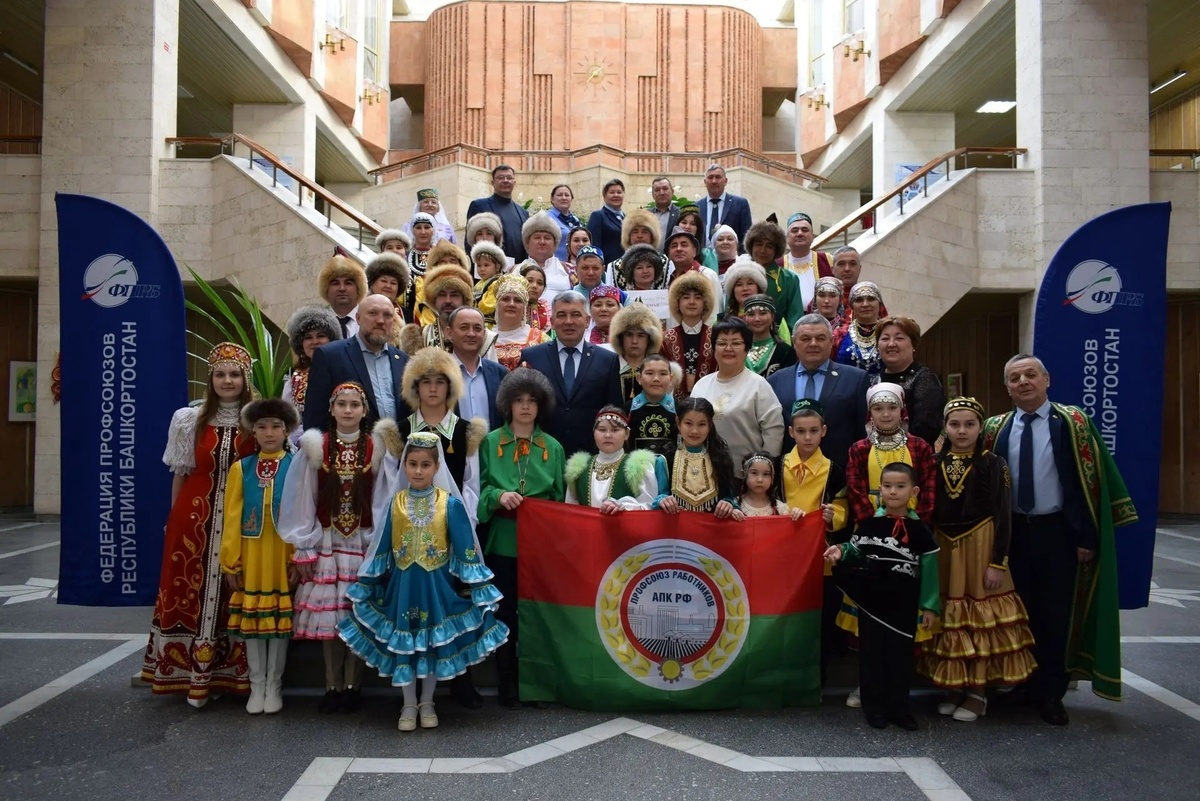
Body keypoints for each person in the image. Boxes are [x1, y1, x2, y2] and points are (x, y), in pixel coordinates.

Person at [981, 354, 1135, 725]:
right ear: (1007, 388)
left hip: (1057, 533)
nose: (1023, 382)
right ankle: (1022, 684)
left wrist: (1086, 537)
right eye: (1014, 378)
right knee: (1019, 613)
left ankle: (1051, 693)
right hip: (1012, 534)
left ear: (1046, 380)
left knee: (1055, 614)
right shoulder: (995, 428)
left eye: (1030, 375)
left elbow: (1088, 483)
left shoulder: (1073, 422)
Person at [340, 431, 508, 731]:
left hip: (437, 587)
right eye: (413, 464)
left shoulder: (450, 504)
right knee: (406, 641)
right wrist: (367, 582)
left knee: (433, 642)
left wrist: (479, 587)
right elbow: (383, 546)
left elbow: (466, 550)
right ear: (404, 466)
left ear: (436, 467)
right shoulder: (396, 504)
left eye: (425, 465)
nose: (418, 471)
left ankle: (428, 701)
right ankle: (408, 703)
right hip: (403, 587)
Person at [142, 342, 255, 707]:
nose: (227, 380)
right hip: (193, 518)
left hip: (240, 520)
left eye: (234, 374)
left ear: (245, 379)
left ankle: (227, 675)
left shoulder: (256, 420)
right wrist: (172, 518)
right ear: (211, 379)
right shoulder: (188, 419)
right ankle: (187, 674)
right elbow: (181, 472)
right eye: (220, 374)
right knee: (187, 587)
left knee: (231, 591)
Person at [920, 397, 1037, 723]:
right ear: (945, 427)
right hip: (945, 547)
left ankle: (978, 692)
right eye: (954, 424)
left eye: (969, 424)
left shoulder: (993, 463)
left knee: (980, 618)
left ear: (980, 428)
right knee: (952, 617)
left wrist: (998, 562)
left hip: (980, 545)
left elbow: (1003, 516)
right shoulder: (934, 462)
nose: (962, 431)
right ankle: (955, 686)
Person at [280, 382, 389, 713]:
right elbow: (304, 496)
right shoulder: (316, 446)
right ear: (331, 409)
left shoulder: (377, 449)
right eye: (342, 404)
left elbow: (382, 499)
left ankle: (354, 686)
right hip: (327, 540)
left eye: (355, 404)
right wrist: (304, 544)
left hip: (361, 541)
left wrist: (378, 543)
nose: (348, 410)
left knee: (356, 616)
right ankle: (332, 685)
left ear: (365, 411)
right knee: (331, 620)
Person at [825, 462, 941, 730]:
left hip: (903, 606)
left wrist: (929, 606)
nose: (893, 492)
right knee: (871, 656)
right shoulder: (869, 524)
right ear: (879, 490)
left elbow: (930, 570)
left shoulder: (921, 530)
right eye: (887, 486)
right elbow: (855, 552)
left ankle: (899, 708)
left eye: (900, 486)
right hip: (872, 605)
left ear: (914, 491)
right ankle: (874, 708)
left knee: (900, 658)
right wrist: (840, 551)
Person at [477, 368, 567, 706]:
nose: (525, 406)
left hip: (539, 545)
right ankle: (507, 683)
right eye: (518, 400)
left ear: (540, 406)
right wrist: (498, 496)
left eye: (531, 400)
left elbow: (560, 499)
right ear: (508, 405)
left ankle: (536, 683)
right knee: (504, 612)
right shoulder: (491, 442)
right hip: (503, 541)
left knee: (536, 614)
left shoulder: (553, 447)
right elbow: (479, 490)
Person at [219, 398, 298, 715]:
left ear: (286, 431)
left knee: (278, 620)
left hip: (282, 550)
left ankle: (274, 684)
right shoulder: (241, 468)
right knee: (252, 620)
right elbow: (231, 517)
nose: (269, 433)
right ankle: (257, 684)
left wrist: (298, 557)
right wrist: (230, 560)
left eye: (276, 426)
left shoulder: (296, 466)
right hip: (251, 552)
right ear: (253, 431)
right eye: (262, 427)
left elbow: (304, 512)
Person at [780, 399, 850, 684]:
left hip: (820, 560)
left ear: (824, 431)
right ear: (790, 432)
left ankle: (816, 680)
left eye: (813, 431)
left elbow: (844, 509)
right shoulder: (778, 465)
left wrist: (835, 516)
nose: (807, 437)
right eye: (801, 431)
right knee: (786, 618)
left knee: (820, 621)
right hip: (784, 556)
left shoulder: (834, 471)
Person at [519, 291, 624, 457]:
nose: (569, 321)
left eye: (576, 315)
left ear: (587, 320)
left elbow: (614, 410)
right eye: (561, 315)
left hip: (590, 455)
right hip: (541, 453)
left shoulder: (607, 360)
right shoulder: (532, 357)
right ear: (552, 322)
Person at [768, 314, 870, 470]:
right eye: (805, 338)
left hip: (839, 473)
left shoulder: (855, 379)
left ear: (831, 342)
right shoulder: (775, 381)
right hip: (789, 473)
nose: (813, 344)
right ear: (794, 342)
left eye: (820, 338)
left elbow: (862, 433)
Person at [690, 317, 785, 479]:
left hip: (746, 477)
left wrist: (763, 470)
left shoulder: (759, 385)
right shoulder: (701, 385)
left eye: (736, 343)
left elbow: (774, 431)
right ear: (713, 348)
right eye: (722, 343)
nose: (728, 348)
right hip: (703, 475)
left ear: (747, 349)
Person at [302, 294, 412, 431]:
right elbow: (314, 418)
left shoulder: (403, 360)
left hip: (397, 443)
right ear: (358, 318)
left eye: (387, 315)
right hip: (348, 444)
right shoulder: (330, 356)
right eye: (373, 313)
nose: (380, 320)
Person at [846, 382, 937, 524]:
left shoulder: (919, 446)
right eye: (878, 409)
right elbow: (856, 492)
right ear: (870, 413)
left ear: (902, 410)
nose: (886, 414)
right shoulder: (859, 449)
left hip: (914, 523)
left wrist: (918, 524)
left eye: (892, 407)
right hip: (871, 524)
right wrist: (871, 524)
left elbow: (928, 490)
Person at [565, 405, 666, 510]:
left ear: (627, 434)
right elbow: (570, 509)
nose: (607, 435)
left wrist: (624, 506)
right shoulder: (579, 469)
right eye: (602, 430)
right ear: (594, 433)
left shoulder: (640, 468)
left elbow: (649, 506)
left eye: (614, 430)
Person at [657, 396, 742, 519]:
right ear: (678, 422)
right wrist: (663, 501)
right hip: (676, 529)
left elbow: (727, 497)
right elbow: (657, 498)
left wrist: (728, 505)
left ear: (710, 426)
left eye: (701, 424)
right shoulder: (664, 461)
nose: (695, 431)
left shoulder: (720, 458)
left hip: (711, 528)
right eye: (688, 423)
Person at [878, 316, 945, 447]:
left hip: (913, 454)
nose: (891, 344)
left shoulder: (924, 378)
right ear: (877, 346)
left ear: (914, 345)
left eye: (899, 338)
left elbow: (927, 429)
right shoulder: (872, 380)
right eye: (885, 339)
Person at [447, 306, 506, 431]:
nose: (471, 334)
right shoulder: (439, 373)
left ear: (484, 334)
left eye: (477, 328)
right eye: (464, 327)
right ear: (449, 333)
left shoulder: (499, 373)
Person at [661, 271, 717, 403]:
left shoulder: (716, 337)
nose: (692, 302)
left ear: (705, 303)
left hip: (710, 402)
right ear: (677, 303)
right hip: (673, 405)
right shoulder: (665, 339)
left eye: (697, 298)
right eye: (686, 297)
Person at [401, 257, 474, 354]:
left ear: (464, 299)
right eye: (442, 295)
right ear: (434, 299)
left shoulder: (481, 338)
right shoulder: (419, 338)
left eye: (454, 295)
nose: (448, 301)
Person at [283, 305, 342, 424]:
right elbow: (288, 420)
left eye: (321, 336)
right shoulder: (293, 378)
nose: (315, 342)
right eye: (308, 337)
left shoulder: (344, 370)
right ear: (300, 344)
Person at [744, 221, 805, 333]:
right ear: (751, 246)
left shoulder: (789, 279)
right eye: (758, 244)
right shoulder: (739, 274)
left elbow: (795, 318)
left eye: (769, 246)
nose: (762, 250)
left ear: (776, 250)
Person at [484, 274, 548, 371]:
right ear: (497, 304)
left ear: (524, 307)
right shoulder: (484, 338)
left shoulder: (541, 339)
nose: (511, 304)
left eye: (518, 300)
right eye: (505, 299)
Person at [467, 165, 529, 263]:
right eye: (500, 178)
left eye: (509, 178)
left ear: (514, 182)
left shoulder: (523, 212)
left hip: (517, 268)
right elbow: (470, 242)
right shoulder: (479, 206)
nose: (505, 180)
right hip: (489, 267)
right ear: (492, 182)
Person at [625, 353, 680, 456]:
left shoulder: (679, 410)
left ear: (671, 379)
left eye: (663, 374)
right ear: (639, 378)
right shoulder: (627, 411)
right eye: (649, 373)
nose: (656, 379)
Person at [609, 303, 662, 404]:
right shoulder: (607, 369)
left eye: (641, 335)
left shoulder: (660, 371)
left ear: (650, 339)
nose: (634, 341)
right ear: (620, 338)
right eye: (629, 335)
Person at [664, 226, 721, 319]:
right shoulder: (668, 280)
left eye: (684, 245)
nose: (679, 249)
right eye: (674, 246)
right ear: (668, 254)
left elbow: (714, 315)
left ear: (694, 251)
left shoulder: (706, 275)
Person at [516, 212, 574, 301]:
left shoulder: (569, 270)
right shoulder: (514, 270)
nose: (542, 242)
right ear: (527, 242)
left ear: (555, 243)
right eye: (537, 237)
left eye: (547, 238)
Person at [783, 212, 834, 311]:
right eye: (794, 230)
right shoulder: (778, 265)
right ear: (787, 238)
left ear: (812, 236)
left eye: (805, 230)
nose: (800, 233)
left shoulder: (828, 260)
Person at [834, 281, 886, 377]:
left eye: (871, 299)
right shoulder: (839, 334)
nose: (865, 304)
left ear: (879, 303)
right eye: (859, 300)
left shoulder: (889, 332)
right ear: (852, 305)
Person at [741, 294, 797, 378]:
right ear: (745, 318)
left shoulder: (785, 351)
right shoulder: (737, 348)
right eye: (751, 314)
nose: (757, 319)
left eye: (762, 313)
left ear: (772, 316)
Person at [607, 207, 664, 290]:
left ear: (652, 236)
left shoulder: (666, 264)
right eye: (635, 232)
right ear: (628, 237)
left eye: (644, 231)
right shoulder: (614, 267)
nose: (640, 236)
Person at [699, 164, 753, 246]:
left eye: (718, 177)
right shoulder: (697, 206)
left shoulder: (740, 204)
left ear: (725, 181)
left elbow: (747, 236)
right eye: (710, 177)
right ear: (705, 182)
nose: (714, 181)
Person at [319, 254, 367, 339]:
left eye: (348, 283)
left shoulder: (370, 320)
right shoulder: (316, 323)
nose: (342, 288)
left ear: (358, 289)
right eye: (335, 283)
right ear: (326, 289)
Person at [402, 212, 439, 323]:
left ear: (433, 230)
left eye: (427, 227)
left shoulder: (441, 255)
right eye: (418, 227)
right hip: (410, 309)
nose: (423, 232)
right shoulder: (405, 256)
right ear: (412, 230)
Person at [738, 451, 790, 516]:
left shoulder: (780, 509)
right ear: (743, 474)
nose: (760, 480)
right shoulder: (734, 507)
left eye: (766, 474)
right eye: (754, 473)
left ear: (772, 477)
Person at [587, 177, 627, 264]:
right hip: (607, 266)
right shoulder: (598, 216)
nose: (616, 195)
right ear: (604, 196)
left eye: (619, 192)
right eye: (612, 192)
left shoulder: (627, 218)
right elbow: (594, 245)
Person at [470, 241, 506, 327]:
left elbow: (488, 306)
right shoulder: (479, 283)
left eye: (486, 265)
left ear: (497, 266)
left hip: (490, 324)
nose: (482, 269)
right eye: (479, 265)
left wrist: (473, 309)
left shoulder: (497, 283)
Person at [721, 255, 767, 320]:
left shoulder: (772, 317)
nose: (745, 288)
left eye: (750, 283)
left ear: (758, 287)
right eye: (739, 285)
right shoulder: (721, 319)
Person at [547, 184, 583, 262]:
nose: (564, 198)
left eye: (567, 195)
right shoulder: (546, 219)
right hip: (555, 264)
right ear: (552, 199)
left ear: (571, 199)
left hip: (575, 265)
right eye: (559, 195)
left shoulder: (575, 220)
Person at [649, 176, 680, 246]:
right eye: (657, 190)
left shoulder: (681, 214)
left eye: (665, 189)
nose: (662, 193)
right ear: (653, 195)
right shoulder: (646, 215)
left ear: (672, 192)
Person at [520, 263, 552, 332]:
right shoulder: (511, 305)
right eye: (529, 281)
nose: (534, 286)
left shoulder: (546, 309)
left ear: (544, 288)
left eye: (540, 283)